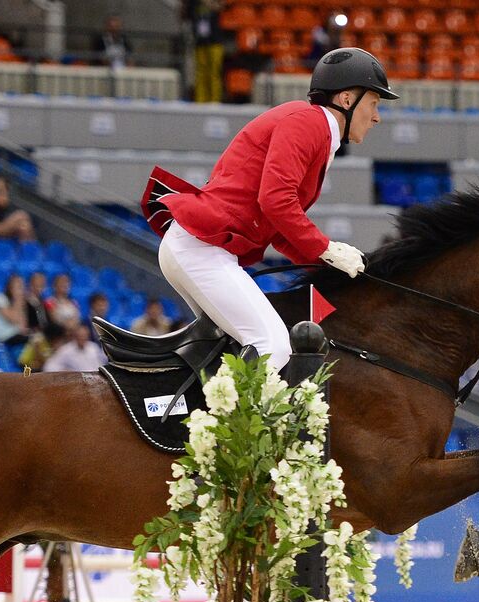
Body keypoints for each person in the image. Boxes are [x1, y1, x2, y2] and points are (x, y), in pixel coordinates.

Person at [145, 48, 394, 372]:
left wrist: (327, 264)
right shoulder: (308, 122)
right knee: (273, 347)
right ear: (347, 99)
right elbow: (276, 200)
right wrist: (326, 248)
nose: (377, 116)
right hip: (200, 247)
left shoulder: (318, 133)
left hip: (198, 247)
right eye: (374, 103)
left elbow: (277, 228)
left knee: (230, 352)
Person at [183, 1, 224, 103]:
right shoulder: (193, 3)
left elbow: (220, 6)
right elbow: (184, 14)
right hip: (200, 42)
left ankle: (214, 101)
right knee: (200, 72)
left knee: (214, 72)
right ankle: (200, 101)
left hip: (215, 41)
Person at [0, 273, 36, 350]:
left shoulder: (16, 302)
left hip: (15, 334)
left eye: (22, 286)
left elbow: (23, 326)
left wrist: (22, 304)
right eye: (18, 286)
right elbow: (13, 319)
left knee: (38, 337)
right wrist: (18, 300)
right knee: (34, 340)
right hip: (2, 335)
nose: (21, 290)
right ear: (10, 287)